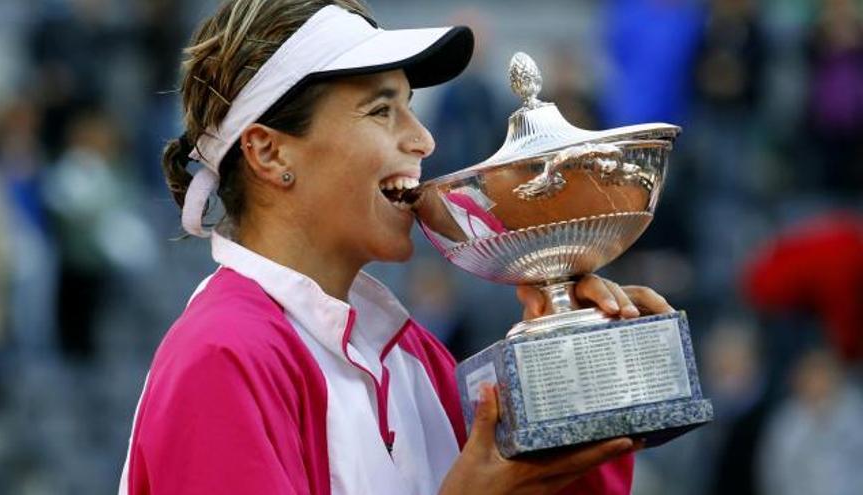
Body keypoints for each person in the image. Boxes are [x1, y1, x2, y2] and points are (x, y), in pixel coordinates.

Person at [119, 1, 674, 494]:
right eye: (382, 110)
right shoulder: (222, 356)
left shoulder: (411, 356)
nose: (423, 139)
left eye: (409, 105)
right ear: (270, 154)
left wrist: (576, 378)